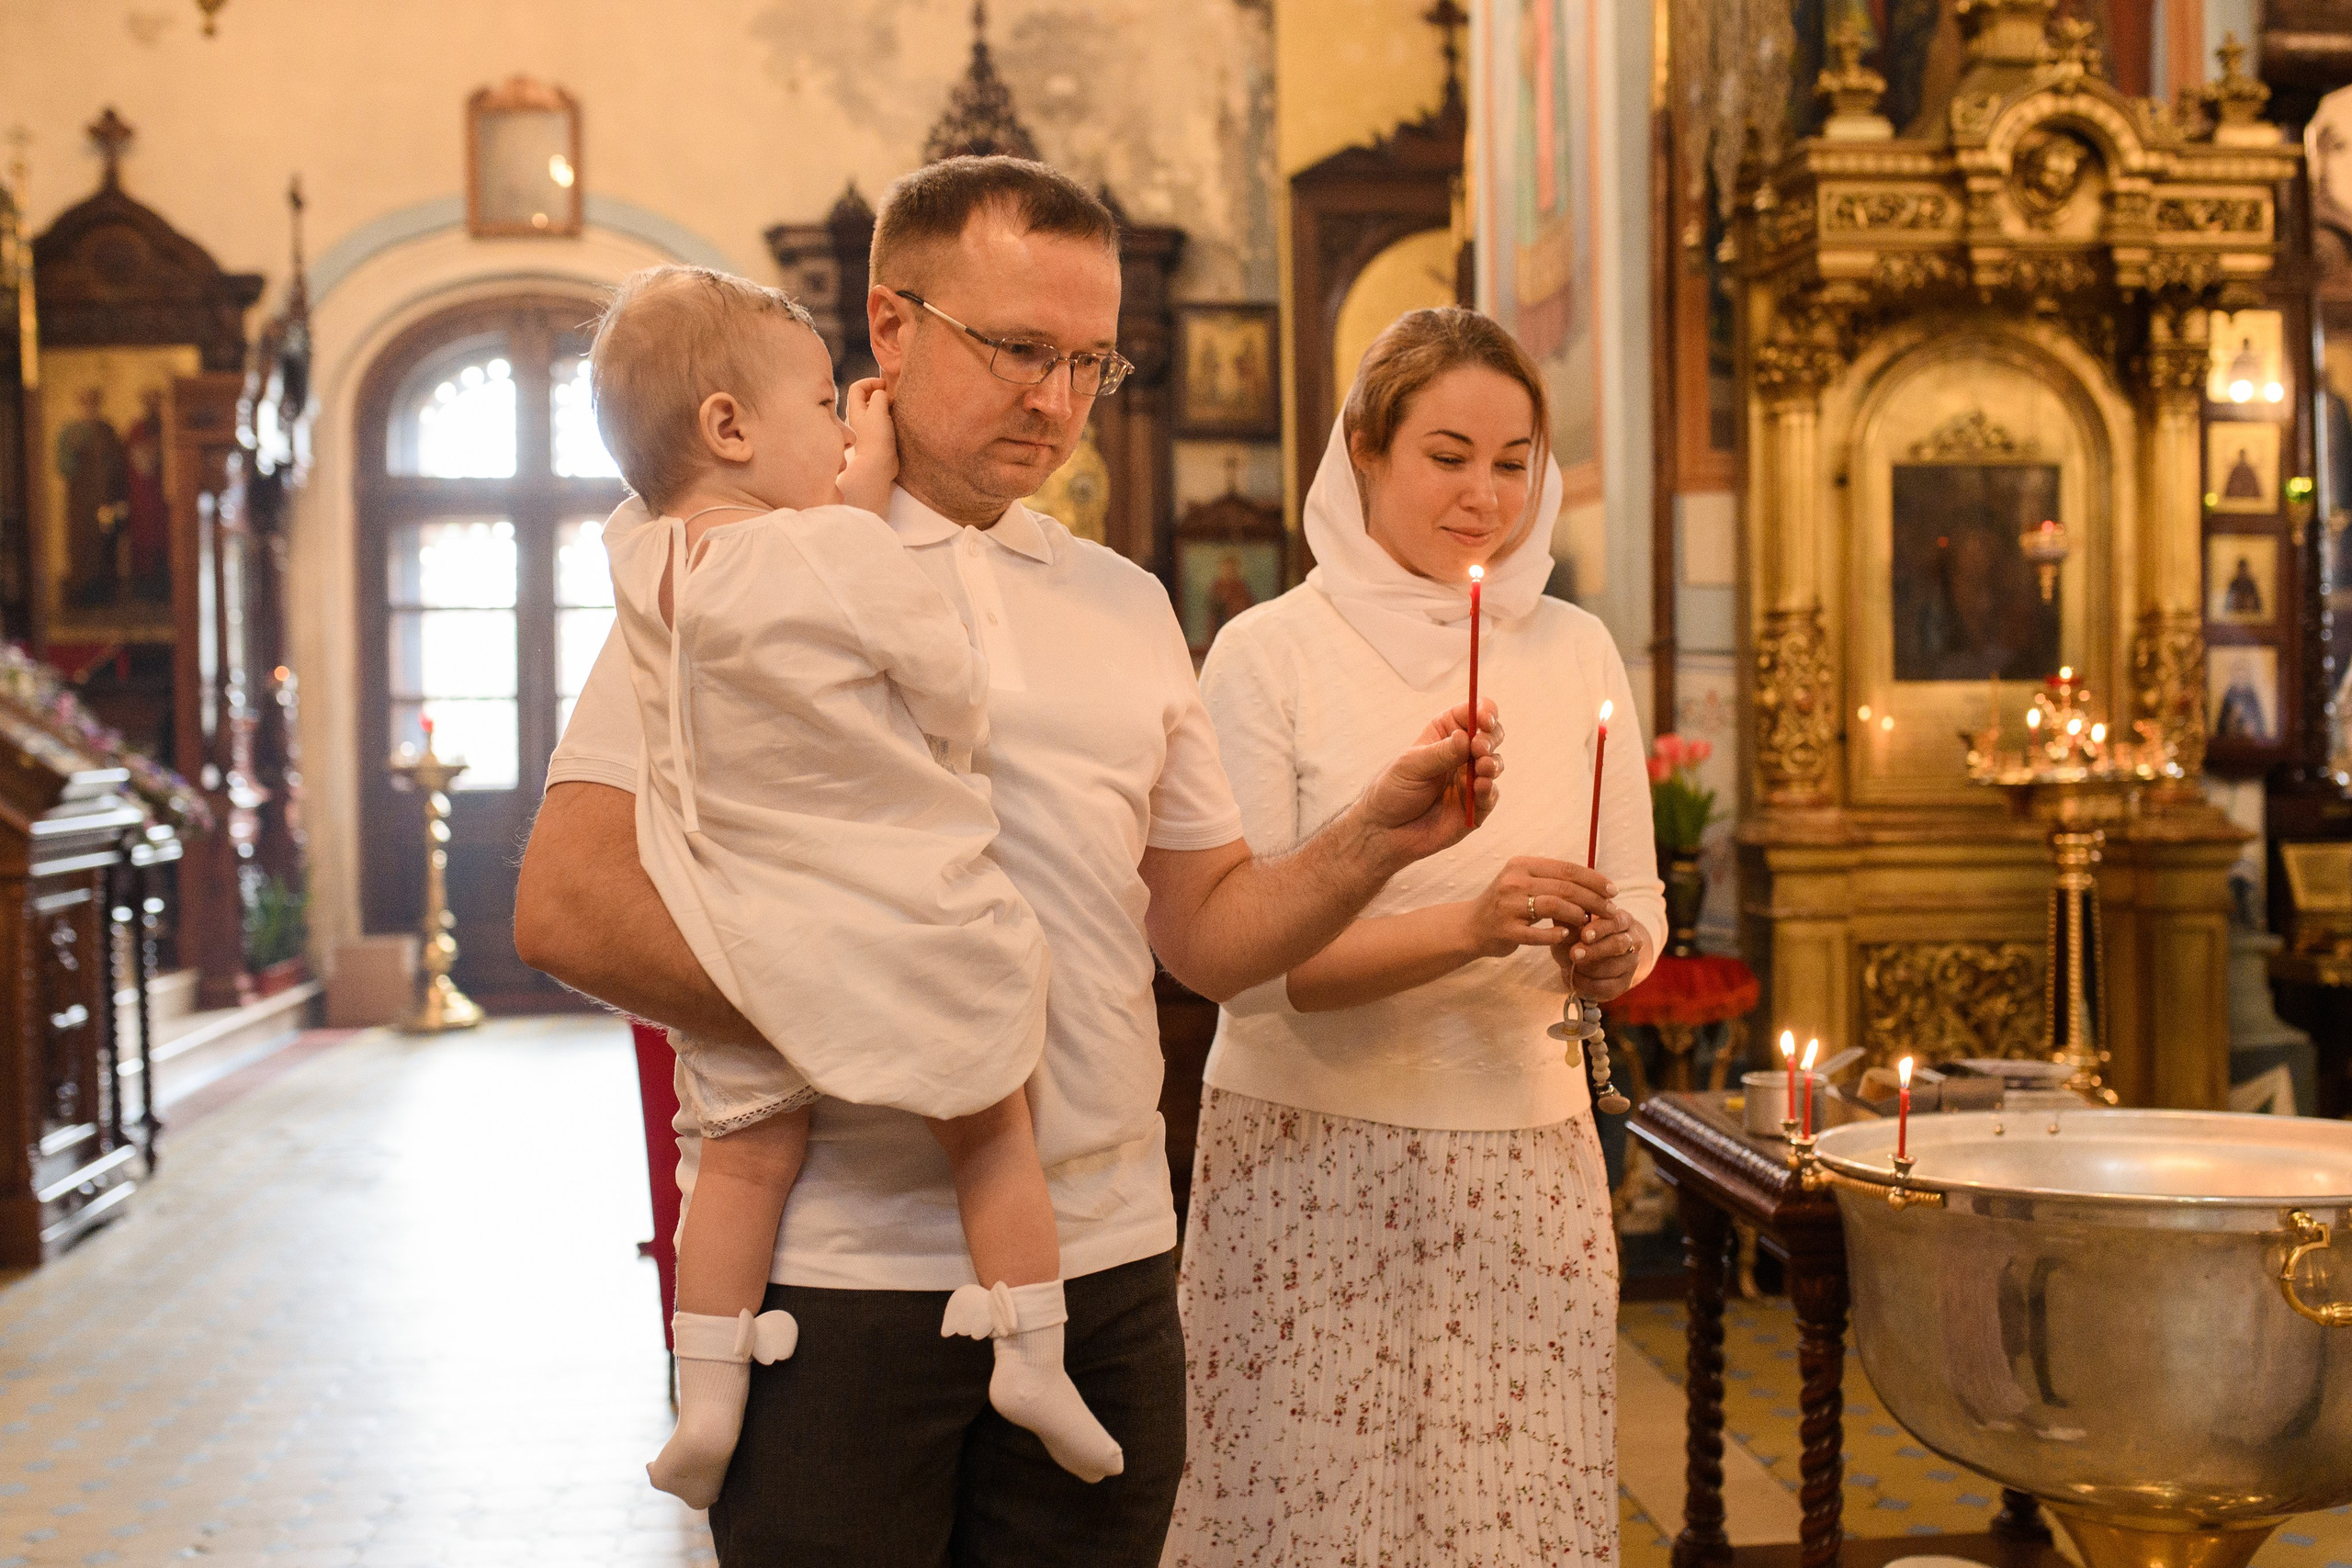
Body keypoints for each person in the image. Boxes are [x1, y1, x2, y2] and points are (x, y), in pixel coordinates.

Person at [513, 157, 1500, 1567]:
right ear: (891, 327)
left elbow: (1209, 934)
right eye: (1019, 349)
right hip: (836, 1280)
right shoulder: (742, 578)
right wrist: (881, 1025)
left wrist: (1369, 844)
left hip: (1100, 1264)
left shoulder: (1128, 604)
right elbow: (568, 907)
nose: (1058, 399)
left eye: (1092, 360)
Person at [589, 265, 1122, 1507]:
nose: (844, 429)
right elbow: (943, 677)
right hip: (889, 925)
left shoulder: (642, 567)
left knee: (743, 1162)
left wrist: (842, 493)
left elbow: (775, 558)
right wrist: (862, 521)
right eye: (827, 404)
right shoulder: (836, 554)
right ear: (729, 428)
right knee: (993, 1119)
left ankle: (707, 1397)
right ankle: (1034, 1355)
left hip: (736, 935)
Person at [1162, 307, 1665, 1567]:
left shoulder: (1577, 645)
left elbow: (1639, 896)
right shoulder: (1268, 653)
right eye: (1448, 455)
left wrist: (1616, 954)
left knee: (1514, 1524)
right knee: (1306, 1523)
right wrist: (1474, 923)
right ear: (1368, 451)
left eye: (1514, 461)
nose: (1484, 494)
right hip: (1305, 1160)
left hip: (1530, 1163)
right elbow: (1264, 972)